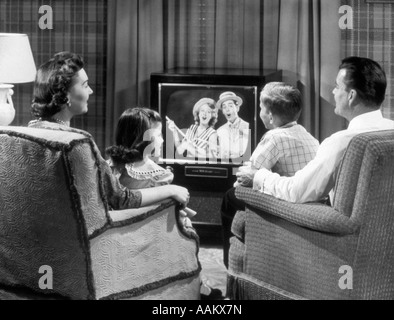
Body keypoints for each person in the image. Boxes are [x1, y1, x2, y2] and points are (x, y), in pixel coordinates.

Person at [222, 56, 394, 268]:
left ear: (351, 95)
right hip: (382, 242)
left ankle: (233, 275)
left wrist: (258, 176)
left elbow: (296, 192)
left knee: (232, 196)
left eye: (337, 87)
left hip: (331, 238)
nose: (333, 92)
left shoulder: (342, 142)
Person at [28, 51, 190, 210]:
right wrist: (171, 190)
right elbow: (120, 199)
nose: (90, 90)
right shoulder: (78, 142)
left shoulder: (28, 131)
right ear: (66, 94)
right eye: (85, 85)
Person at [106, 106, 222, 300]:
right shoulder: (157, 174)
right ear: (141, 139)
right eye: (158, 135)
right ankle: (198, 285)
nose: (162, 140)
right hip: (151, 232)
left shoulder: (110, 167)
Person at [221, 82, 319, 268]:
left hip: (286, 205)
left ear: (271, 118)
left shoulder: (274, 138)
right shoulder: (307, 135)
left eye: (260, 108)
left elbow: (244, 178)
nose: (259, 112)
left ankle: (230, 267)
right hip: (306, 203)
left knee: (230, 197)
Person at [216, 91, 250, 159]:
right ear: (222, 111)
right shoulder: (219, 131)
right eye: (224, 107)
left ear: (237, 108)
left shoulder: (247, 126)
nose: (227, 109)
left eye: (230, 106)